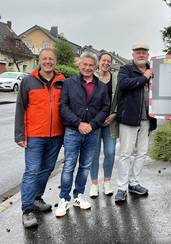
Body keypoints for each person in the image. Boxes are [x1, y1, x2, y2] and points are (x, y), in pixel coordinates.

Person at [55, 52, 110, 217]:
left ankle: (78, 195)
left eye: (91, 65)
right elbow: (63, 106)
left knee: (85, 165)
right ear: (79, 66)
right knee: (69, 165)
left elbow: (105, 108)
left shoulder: (101, 86)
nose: (87, 67)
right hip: (73, 130)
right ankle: (64, 198)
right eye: (84, 64)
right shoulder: (69, 83)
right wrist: (78, 123)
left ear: (95, 67)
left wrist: (92, 125)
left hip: (93, 132)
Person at [15, 48, 65, 228]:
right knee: (32, 170)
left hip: (56, 135)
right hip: (35, 135)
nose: (48, 62)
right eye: (45, 59)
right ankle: (27, 210)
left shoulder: (61, 82)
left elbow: (65, 108)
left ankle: (36, 198)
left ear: (55, 61)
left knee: (47, 168)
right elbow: (20, 108)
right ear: (39, 60)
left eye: (51, 59)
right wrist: (20, 134)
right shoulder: (28, 81)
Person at [114, 43, 157, 203]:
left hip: (147, 118)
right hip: (129, 118)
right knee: (125, 154)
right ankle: (121, 187)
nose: (141, 55)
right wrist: (144, 77)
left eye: (144, 52)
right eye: (138, 52)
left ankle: (134, 182)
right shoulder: (126, 69)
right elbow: (124, 85)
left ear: (147, 55)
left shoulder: (154, 70)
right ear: (133, 55)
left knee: (142, 153)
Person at [89, 52, 118, 198]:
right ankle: (94, 184)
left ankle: (107, 182)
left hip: (110, 122)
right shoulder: (91, 77)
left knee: (110, 152)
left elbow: (120, 98)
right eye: (103, 60)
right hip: (94, 123)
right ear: (98, 62)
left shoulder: (115, 78)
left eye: (109, 61)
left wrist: (115, 114)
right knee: (93, 154)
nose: (106, 63)